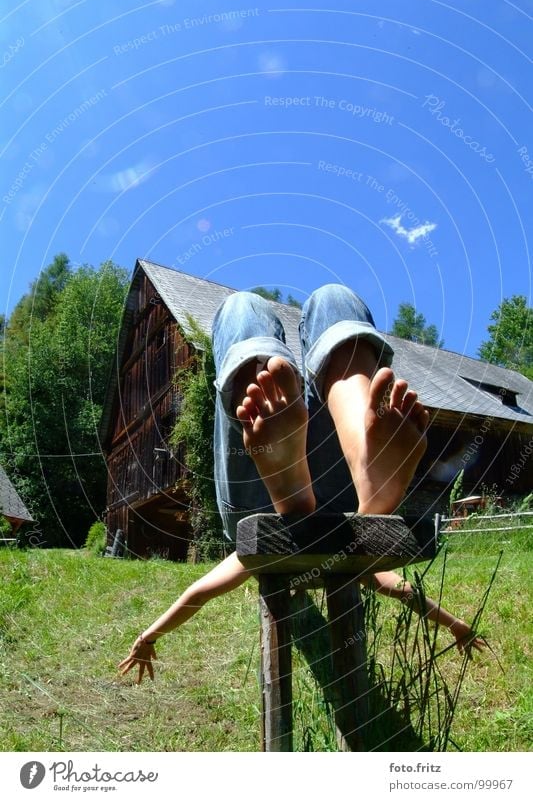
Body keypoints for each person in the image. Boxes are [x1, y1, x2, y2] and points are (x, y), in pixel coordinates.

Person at [118, 285, 484, 683]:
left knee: (242, 310)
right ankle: (361, 454)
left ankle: (298, 490)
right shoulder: (344, 551)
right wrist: (455, 624)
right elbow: (405, 592)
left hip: (266, 514)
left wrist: (148, 635)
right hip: (341, 509)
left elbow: (197, 596)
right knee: (331, 301)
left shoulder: (267, 555)